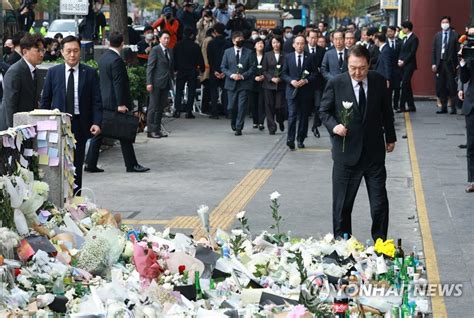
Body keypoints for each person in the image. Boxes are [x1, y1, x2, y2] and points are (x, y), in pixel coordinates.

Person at [320, 44, 397, 241]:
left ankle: (380, 244)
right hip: (346, 154)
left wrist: (390, 136)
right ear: (347, 64)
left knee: (379, 203)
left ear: (369, 64)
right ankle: (343, 245)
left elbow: (386, 111)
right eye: (353, 67)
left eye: (362, 68)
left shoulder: (379, 81)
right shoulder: (337, 83)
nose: (357, 72)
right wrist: (334, 126)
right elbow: (324, 111)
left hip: (373, 153)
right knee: (342, 205)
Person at [40, 35, 102, 191]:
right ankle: (57, 200)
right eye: (68, 51)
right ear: (62, 52)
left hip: (80, 124)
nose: (72, 55)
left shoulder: (89, 73)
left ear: (80, 52)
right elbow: (45, 101)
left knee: (76, 166)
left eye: (75, 51)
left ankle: (75, 199)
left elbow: (96, 101)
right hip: (58, 126)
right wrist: (44, 125)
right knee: (56, 164)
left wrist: (96, 122)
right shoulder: (54, 73)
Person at [85, 32, 149, 173]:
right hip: (115, 103)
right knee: (124, 133)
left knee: (100, 132)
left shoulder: (103, 58)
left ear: (108, 42)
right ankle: (131, 165)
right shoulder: (116, 60)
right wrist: (121, 104)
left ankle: (90, 163)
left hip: (105, 100)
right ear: (122, 43)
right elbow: (118, 83)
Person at [0, 33, 44, 130]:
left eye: (43, 50)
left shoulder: (33, 70)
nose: (42, 54)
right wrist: (13, 131)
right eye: (38, 51)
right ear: (24, 52)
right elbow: (10, 105)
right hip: (13, 130)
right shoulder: (15, 72)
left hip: (26, 126)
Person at [281, 35, 316, 150]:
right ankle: (290, 139)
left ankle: (300, 138)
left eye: (302, 43)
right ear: (293, 45)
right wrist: (291, 81)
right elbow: (284, 73)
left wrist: (306, 80)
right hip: (292, 91)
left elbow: (315, 74)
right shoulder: (288, 57)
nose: (300, 46)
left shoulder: (310, 57)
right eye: (298, 43)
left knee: (304, 116)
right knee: (292, 115)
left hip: (305, 92)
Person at [220, 31, 256, 135]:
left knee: (242, 106)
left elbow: (252, 68)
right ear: (233, 41)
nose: (240, 41)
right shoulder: (227, 52)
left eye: (242, 40)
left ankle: (239, 127)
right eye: (238, 40)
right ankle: (233, 121)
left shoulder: (249, 52)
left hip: (244, 84)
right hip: (231, 83)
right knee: (231, 107)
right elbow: (223, 67)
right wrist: (231, 75)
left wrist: (243, 76)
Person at [146, 31, 174, 138]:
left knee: (160, 107)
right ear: (160, 39)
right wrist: (149, 82)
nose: (167, 40)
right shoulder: (155, 50)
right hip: (155, 83)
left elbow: (170, 67)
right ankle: (150, 130)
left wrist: (172, 80)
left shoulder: (170, 51)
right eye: (165, 38)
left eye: (168, 38)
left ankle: (157, 129)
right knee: (153, 107)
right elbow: (150, 67)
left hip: (166, 82)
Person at [173, 28, 205, 119]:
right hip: (192, 71)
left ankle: (177, 110)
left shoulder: (177, 45)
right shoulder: (195, 46)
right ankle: (189, 111)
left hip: (181, 71)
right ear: (192, 35)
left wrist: (175, 69)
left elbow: (174, 58)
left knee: (179, 91)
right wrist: (202, 70)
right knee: (191, 91)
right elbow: (200, 60)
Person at [432, 16, 460, 114]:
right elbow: (434, 51)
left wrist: (458, 64)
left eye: (446, 22)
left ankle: (453, 108)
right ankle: (443, 107)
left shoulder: (455, 35)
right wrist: (434, 63)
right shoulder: (437, 35)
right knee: (441, 86)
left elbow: (458, 50)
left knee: (452, 86)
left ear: (449, 23)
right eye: (443, 22)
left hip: (451, 64)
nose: (444, 23)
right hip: (440, 64)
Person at [459, 25, 474, 193]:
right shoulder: (468, 54)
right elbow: (464, 78)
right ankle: (472, 180)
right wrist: (462, 62)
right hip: (471, 104)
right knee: (471, 145)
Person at [262, 36, 285, 135]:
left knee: (279, 106)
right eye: (274, 43)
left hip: (281, 85)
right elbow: (264, 70)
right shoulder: (267, 55)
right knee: (269, 106)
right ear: (271, 44)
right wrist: (271, 78)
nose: (276, 45)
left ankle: (280, 120)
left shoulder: (285, 55)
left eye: (278, 42)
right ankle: (272, 127)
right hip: (268, 85)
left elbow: (286, 69)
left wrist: (281, 78)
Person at [207, 23, 230, 119]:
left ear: (215, 31)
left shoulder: (211, 43)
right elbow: (230, 58)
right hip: (225, 70)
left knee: (213, 91)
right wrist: (225, 71)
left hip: (214, 70)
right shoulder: (228, 43)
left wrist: (214, 70)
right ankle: (227, 112)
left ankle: (214, 112)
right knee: (226, 92)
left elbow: (209, 58)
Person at [306, 29, 326, 138]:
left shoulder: (322, 51)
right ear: (307, 38)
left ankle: (315, 126)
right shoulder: (303, 49)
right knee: (306, 107)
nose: (313, 40)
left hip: (318, 83)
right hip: (305, 83)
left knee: (318, 105)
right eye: (311, 37)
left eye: (315, 38)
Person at [397, 21, 418, 113]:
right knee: (407, 85)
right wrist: (399, 60)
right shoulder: (404, 38)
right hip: (402, 64)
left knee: (404, 84)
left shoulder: (414, 39)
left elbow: (412, 53)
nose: (402, 30)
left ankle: (401, 106)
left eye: (403, 28)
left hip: (409, 64)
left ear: (407, 28)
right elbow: (402, 51)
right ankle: (411, 105)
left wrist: (404, 61)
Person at [249, 37, 266, 130]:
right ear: (255, 45)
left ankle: (261, 122)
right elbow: (248, 68)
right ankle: (255, 121)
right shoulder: (250, 56)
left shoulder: (266, 55)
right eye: (258, 43)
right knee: (254, 103)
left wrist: (264, 76)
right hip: (253, 82)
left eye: (262, 43)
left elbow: (269, 68)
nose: (260, 45)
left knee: (262, 103)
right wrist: (254, 77)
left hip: (263, 82)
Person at [374, 32, 396, 101]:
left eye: (375, 39)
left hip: (384, 79)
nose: (374, 41)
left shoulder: (385, 50)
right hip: (382, 78)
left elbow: (387, 65)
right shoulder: (384, 49)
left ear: (377, 39)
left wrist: (387, 79)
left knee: (386, 100)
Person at [386, 26, 402, 111]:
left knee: (397, 88)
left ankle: (396, 105)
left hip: (397, 69)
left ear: (395, 32)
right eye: (388, 31)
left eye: (391, 31)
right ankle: (388, 106)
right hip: (388, 69)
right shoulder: (384, 43)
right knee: (388, 90)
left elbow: (402, 53)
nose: (390, 33)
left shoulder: (400, 42)